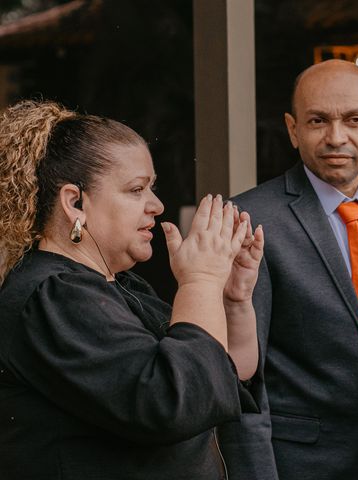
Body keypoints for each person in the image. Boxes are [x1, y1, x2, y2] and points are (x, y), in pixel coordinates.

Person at [0, 100, 264, 480]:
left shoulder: (122, 285)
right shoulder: (52, 296)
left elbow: (221, 376)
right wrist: (200, 280)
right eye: (136, 190)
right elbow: (172, 403)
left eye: (151, 188)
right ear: (75, 203)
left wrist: (231, 301)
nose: (156, 205)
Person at [218, 59, 358, 479]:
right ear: (293, 129)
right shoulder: (250, 218)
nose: (337, 138)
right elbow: (244, 383)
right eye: (318, 121)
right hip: (301, 467)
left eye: (354, 120)